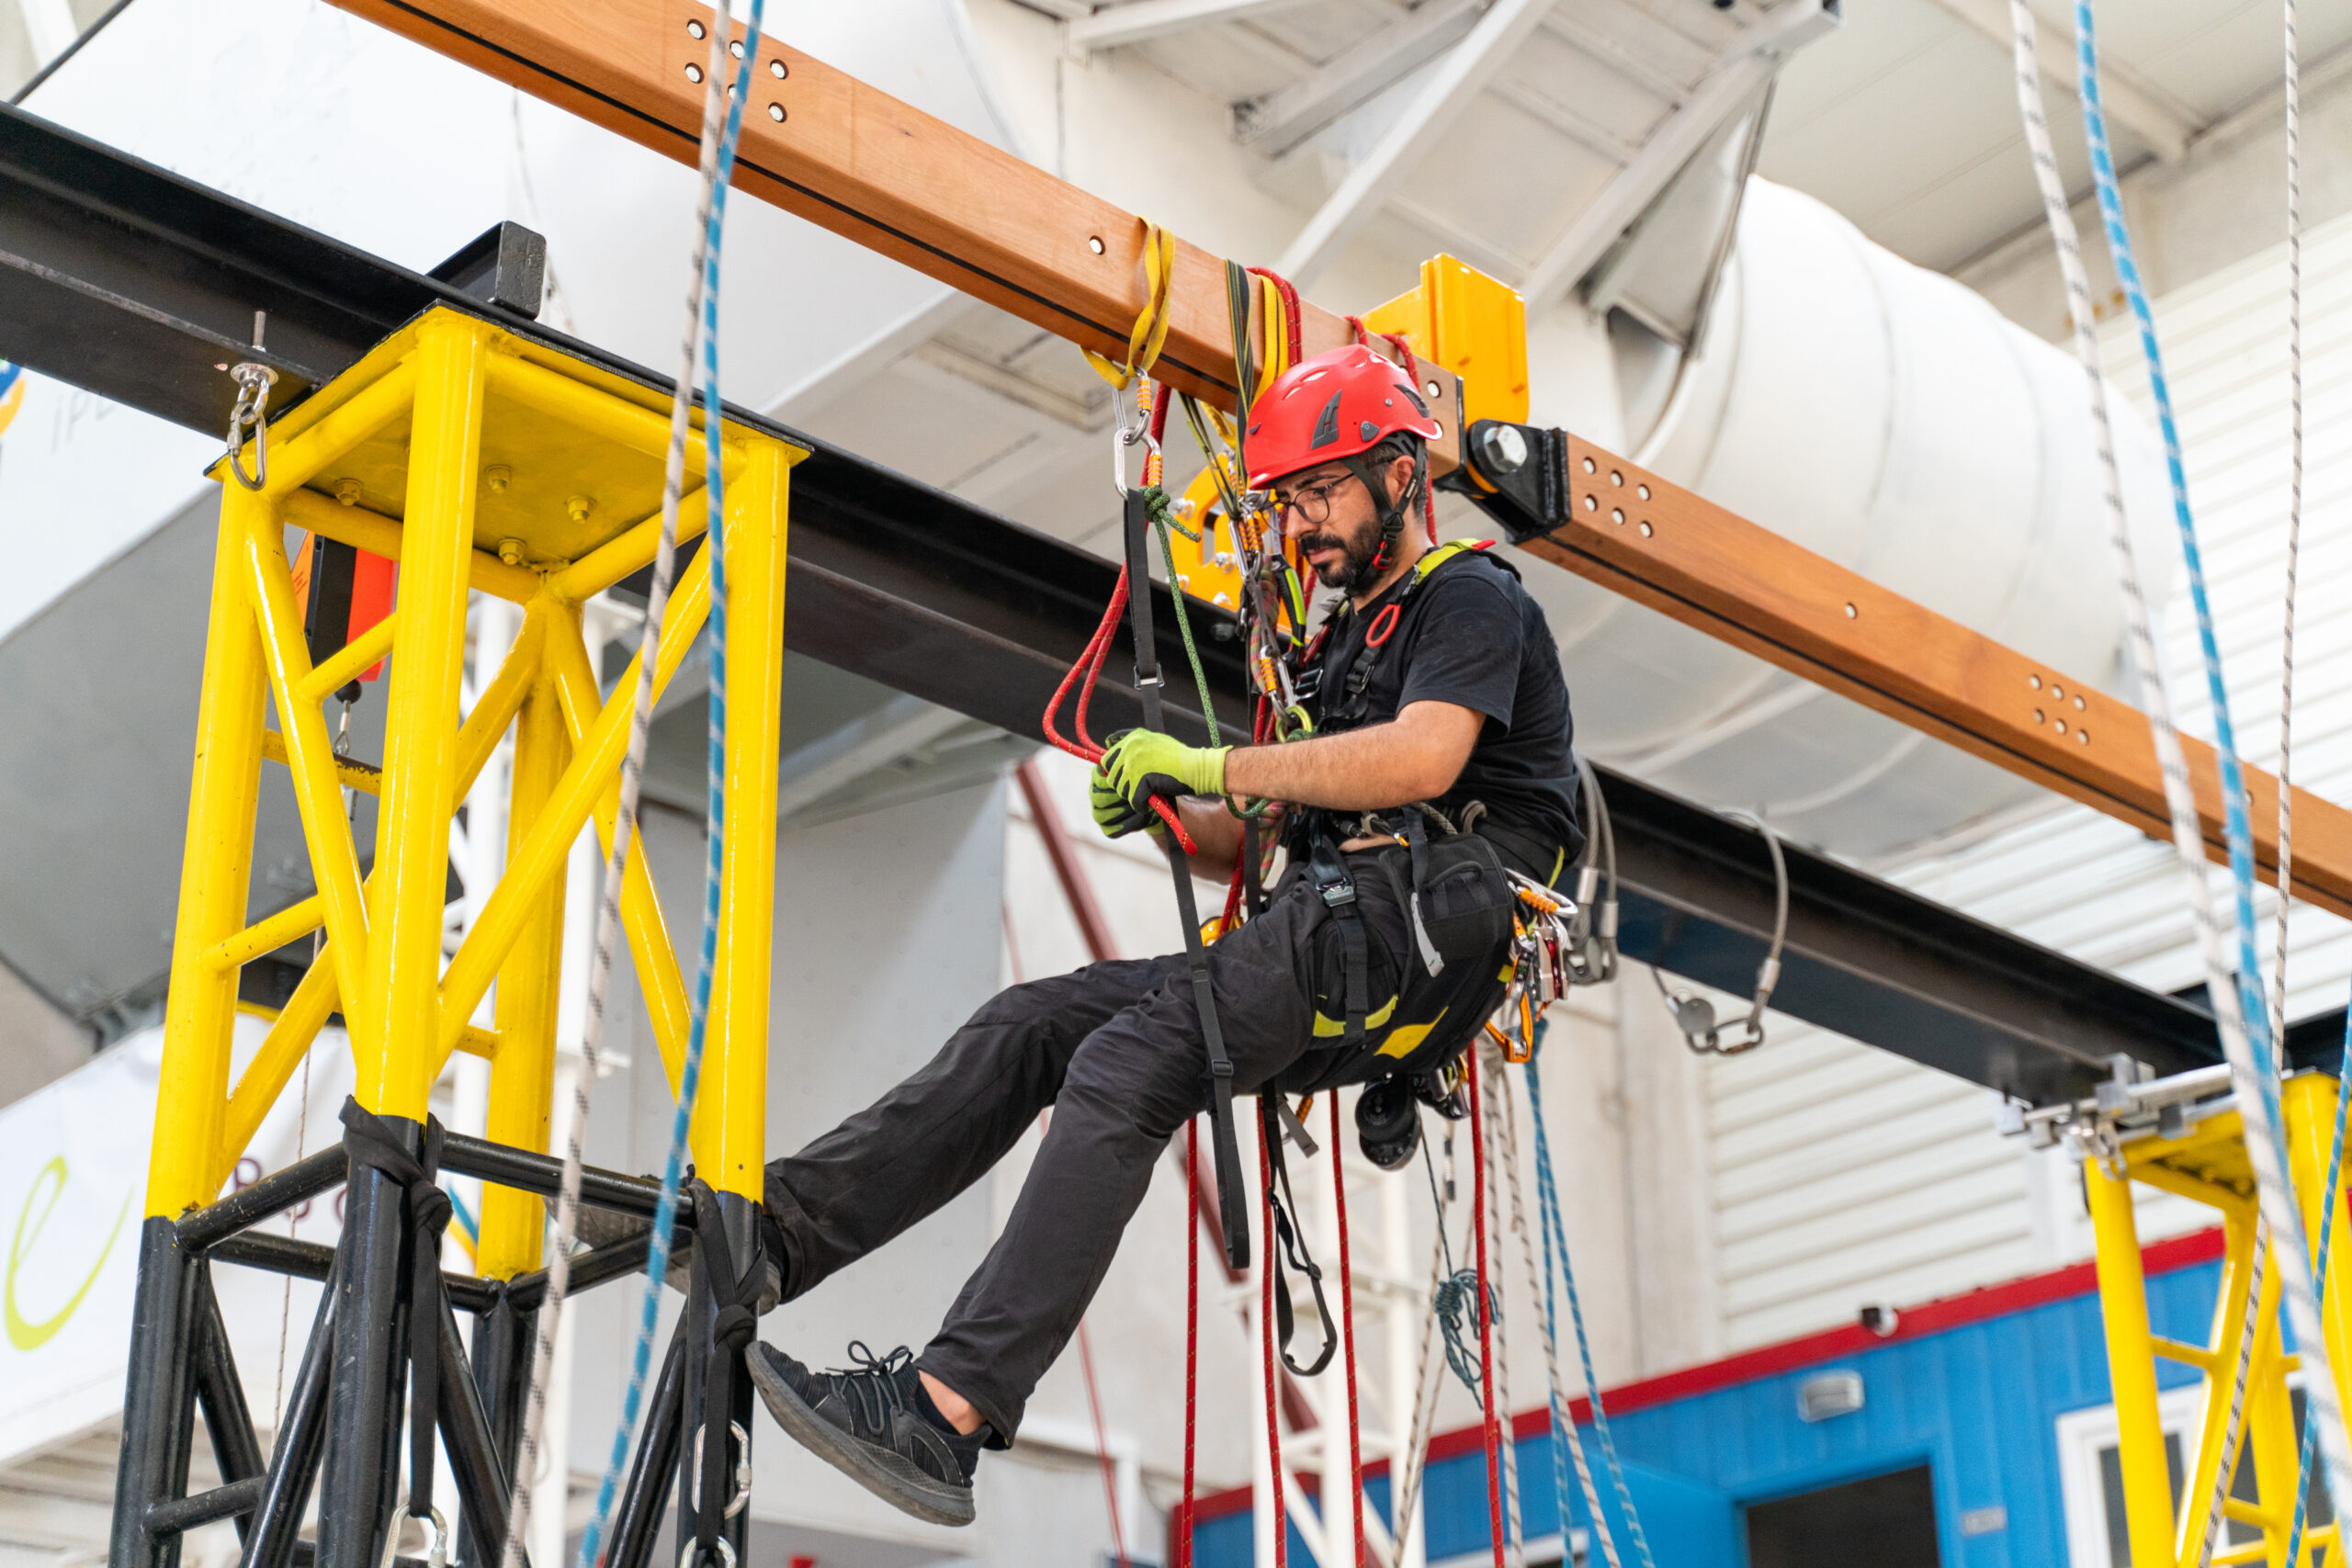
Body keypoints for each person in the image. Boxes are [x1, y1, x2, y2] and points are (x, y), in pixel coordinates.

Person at [741, 343, 1583, 1526]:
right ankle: (781, 1235)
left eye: (1319, 492)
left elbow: (1425, 756)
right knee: (1035, 1023)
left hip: (1432, 923)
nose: (1301, 526)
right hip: (1345, 933)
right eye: (1287, 502)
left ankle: (944, 1415)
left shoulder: (1468, 596)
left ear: (1401, 471)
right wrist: (1180, 815)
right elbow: (1269, 838)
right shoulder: (1344, 643)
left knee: (1129, 1064)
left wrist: (1214, 761)